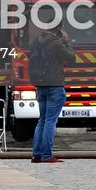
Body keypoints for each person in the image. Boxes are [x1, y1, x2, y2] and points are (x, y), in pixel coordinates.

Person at [27, 26, 73, 163]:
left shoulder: (36, 42)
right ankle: (47, 155)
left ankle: (37, 155)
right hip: (55, 86)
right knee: (50, 121)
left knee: (41, 120)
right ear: (58, 30)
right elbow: (71, 57)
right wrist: (67, 41)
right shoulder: (56, 43)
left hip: (40, 86)